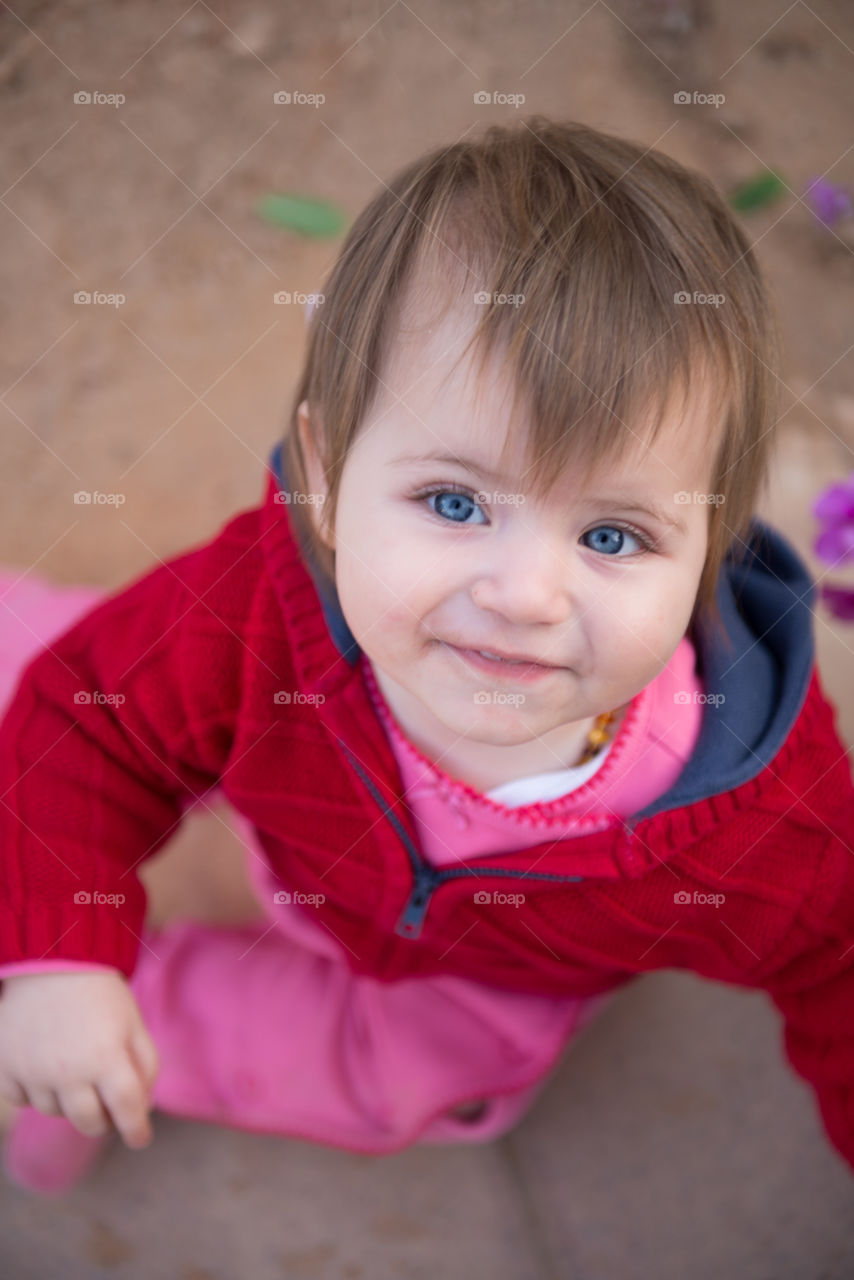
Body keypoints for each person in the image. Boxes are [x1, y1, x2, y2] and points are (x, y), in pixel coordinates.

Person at [1, 117, 853, 1196]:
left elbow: (839, 963)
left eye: (611, 535)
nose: (522, 595)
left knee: (361, 1074)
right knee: (83, 687)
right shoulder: (264, 602)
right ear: (323, 472)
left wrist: (86, 1004)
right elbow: (90, 713)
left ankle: (127, 1051)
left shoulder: (759, 833)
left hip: (474, 986)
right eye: (453, 501)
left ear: (707, 547)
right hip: (301, 851)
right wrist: (61, 951)